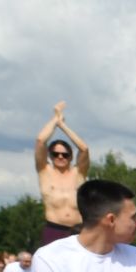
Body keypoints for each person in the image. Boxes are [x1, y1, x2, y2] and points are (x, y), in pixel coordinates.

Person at [34, 101, 92, 247]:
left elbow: (84, 149)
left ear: (71, 157)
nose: (60, 157)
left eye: (65, 155)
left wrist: (63, 126)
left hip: (79, 229)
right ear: (50, 156)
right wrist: (55, 119)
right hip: (54, 228)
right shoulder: (45, 171)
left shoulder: (78, 172)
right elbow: (40, 141)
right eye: (56, 154)